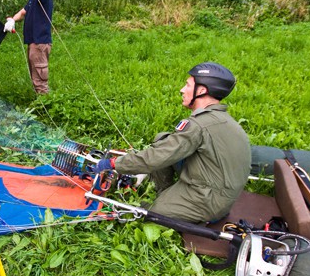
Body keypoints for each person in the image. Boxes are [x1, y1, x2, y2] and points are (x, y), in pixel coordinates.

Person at [94, 62, 251, 223]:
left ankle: (171, 205)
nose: (182, 90)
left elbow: (156, 156)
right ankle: (166, 193)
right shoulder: (223, 119)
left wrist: (113, 164)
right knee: (163, 139)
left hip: (209, 200)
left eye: (188, 85)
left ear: (202, 91)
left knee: (152, 214)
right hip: (220, 190)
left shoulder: (198, 125)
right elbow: (168, 148)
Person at [4, 0, 54, 94]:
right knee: (35, 78)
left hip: (40, 43)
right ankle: (40, 104)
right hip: (33, 43)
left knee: (40, 82)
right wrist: (12, 20)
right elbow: (22, 12)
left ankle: (45, 108)